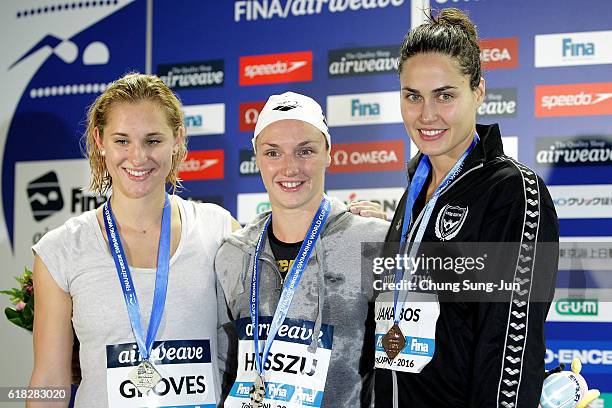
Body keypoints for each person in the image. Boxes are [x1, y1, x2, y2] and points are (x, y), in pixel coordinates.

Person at [373, 8, 559, 407]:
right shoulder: (413, 197)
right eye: (413, 96)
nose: (426, 114)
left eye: (445, 95)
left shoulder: (511, 191)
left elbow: (509, 351)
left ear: (478, 91)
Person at [28, 73, 239, 407]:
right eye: (122, 140)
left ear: (178, 139)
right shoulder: (62, 250)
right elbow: (49, 381)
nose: (138, 157)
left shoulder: (219, 229)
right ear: (99, 141)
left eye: (153, 140)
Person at [215, 92, 389, 407]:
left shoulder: (375, 243)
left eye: (305, 150)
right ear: (257, 158)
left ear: (329, 153)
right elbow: (224, 367)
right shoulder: (234, 252)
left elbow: (404, 370)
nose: (290, 167)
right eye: (273, 153)